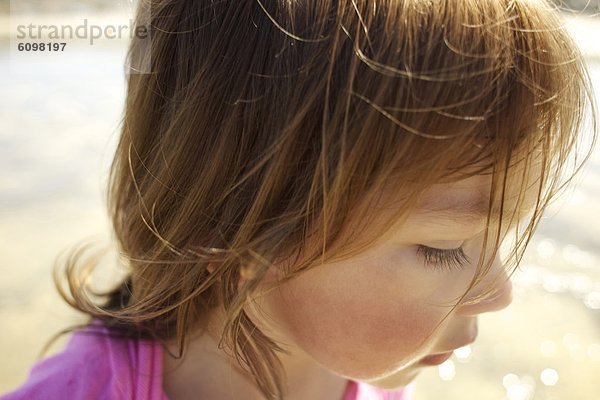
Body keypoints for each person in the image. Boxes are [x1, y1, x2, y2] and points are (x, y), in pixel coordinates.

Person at [2, 0, 597, 399]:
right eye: (444, 250)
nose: (501, 293)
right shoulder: (78, 390)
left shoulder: (373, 361)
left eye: (510, 233)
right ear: (234, 232)